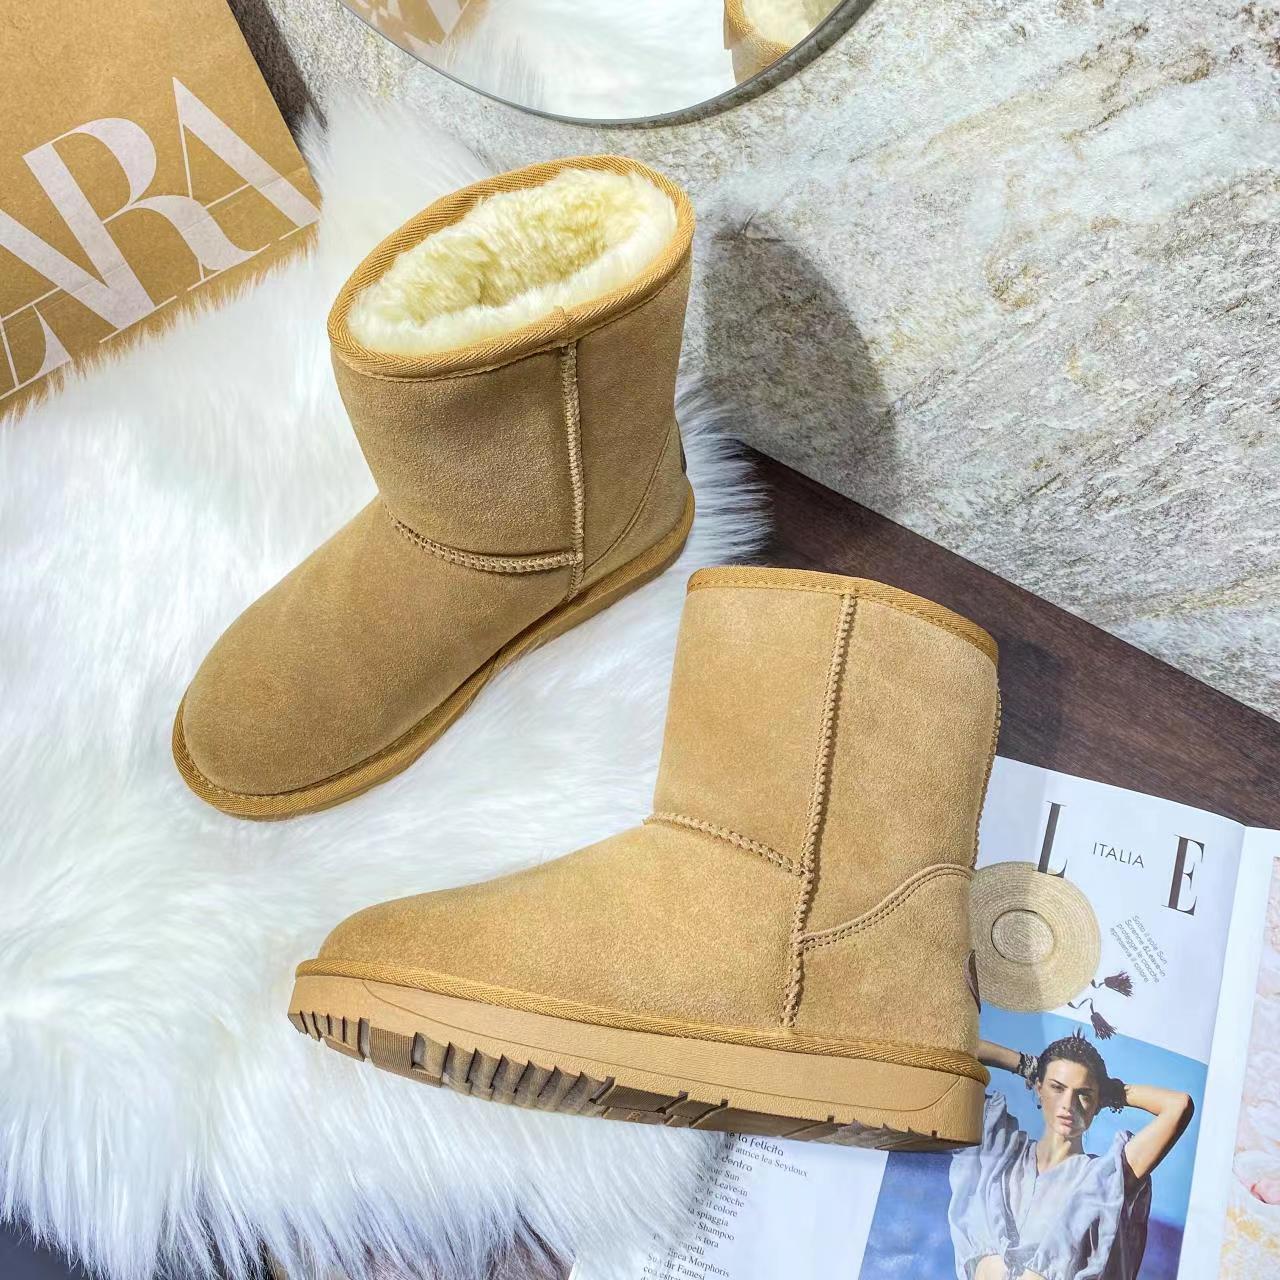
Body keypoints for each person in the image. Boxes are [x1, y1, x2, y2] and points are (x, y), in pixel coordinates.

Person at [948, 1030, 1195, 1280]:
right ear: (1039, 1088)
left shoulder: (1104, 1180)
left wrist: (1110, 1090)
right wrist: (1027, 1065)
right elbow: (950, 1050)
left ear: (1098, 1104)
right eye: (1057, 1087)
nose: (1068, 1104)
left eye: (1083, 1094)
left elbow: (1179, 1106)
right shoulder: (998, 1149)